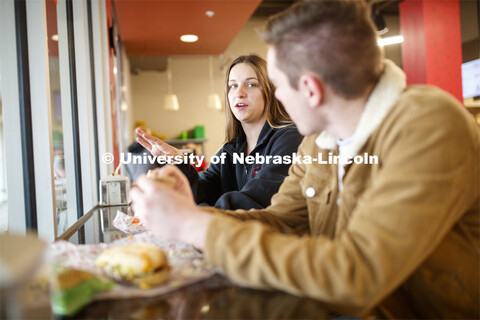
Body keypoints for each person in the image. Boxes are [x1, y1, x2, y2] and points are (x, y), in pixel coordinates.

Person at [130, 0, 480, 318]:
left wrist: (194, 226)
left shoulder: (428, 125)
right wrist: (188, 214)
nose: (276, 96)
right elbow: (281, 219)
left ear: (311, 90)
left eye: (277, 85)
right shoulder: (319, 141)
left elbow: (356, 274)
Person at [136, 54, 303, 210]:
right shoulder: (230, 150)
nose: (239, 93)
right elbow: (202, 192)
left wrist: (194, 215)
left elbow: (259, 198)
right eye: (233, 86)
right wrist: (178, 162)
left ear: (269, 91)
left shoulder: (290, 138)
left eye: (251, 84)